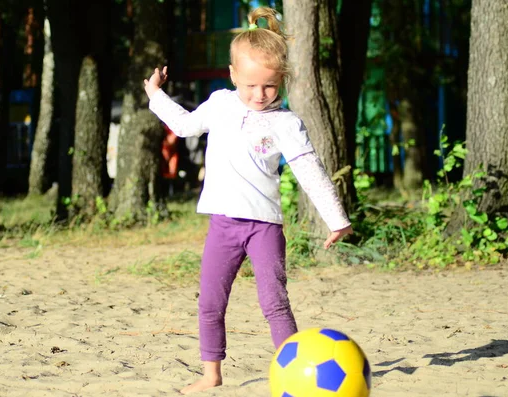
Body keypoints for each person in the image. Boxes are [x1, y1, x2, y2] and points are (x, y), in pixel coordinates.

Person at [143, 6, 353, 394]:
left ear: (283, 83)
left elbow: (311, 171)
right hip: (223, 225)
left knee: (274, 304)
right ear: (233, 75)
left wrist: (336, 218)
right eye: (251, 85)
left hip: (264, 228)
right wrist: (155, 94)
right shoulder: (221, 104)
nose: (260, 95)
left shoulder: (287, 124)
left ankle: (291, 374)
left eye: (270, 87)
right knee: (209, 303)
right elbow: (186, 126)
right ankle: (211, 375)